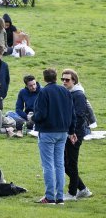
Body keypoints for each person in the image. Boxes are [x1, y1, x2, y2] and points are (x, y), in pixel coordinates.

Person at [32, 68, 75, 204]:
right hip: (63, 132)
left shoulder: (44, 92)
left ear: (44, 79)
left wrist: (33, 118)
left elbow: (41, 114)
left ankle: (50, 196)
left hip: (47, 132)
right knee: (59, 164)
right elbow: (72, 114)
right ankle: (60, 197)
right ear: (56, 78)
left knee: (48, 165)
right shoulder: (65, 92)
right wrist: (71, 130)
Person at [61, 69, 93, 201]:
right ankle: (83, 189)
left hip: (75, 133)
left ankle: (72, 193)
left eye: (67, 80)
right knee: (64, 163)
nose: (64, 82)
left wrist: (72, 133)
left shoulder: (78, 94)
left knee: (70, 163)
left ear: (74, 80)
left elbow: (79, 115)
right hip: (70, 132)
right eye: (62, 79)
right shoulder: (70, 93)